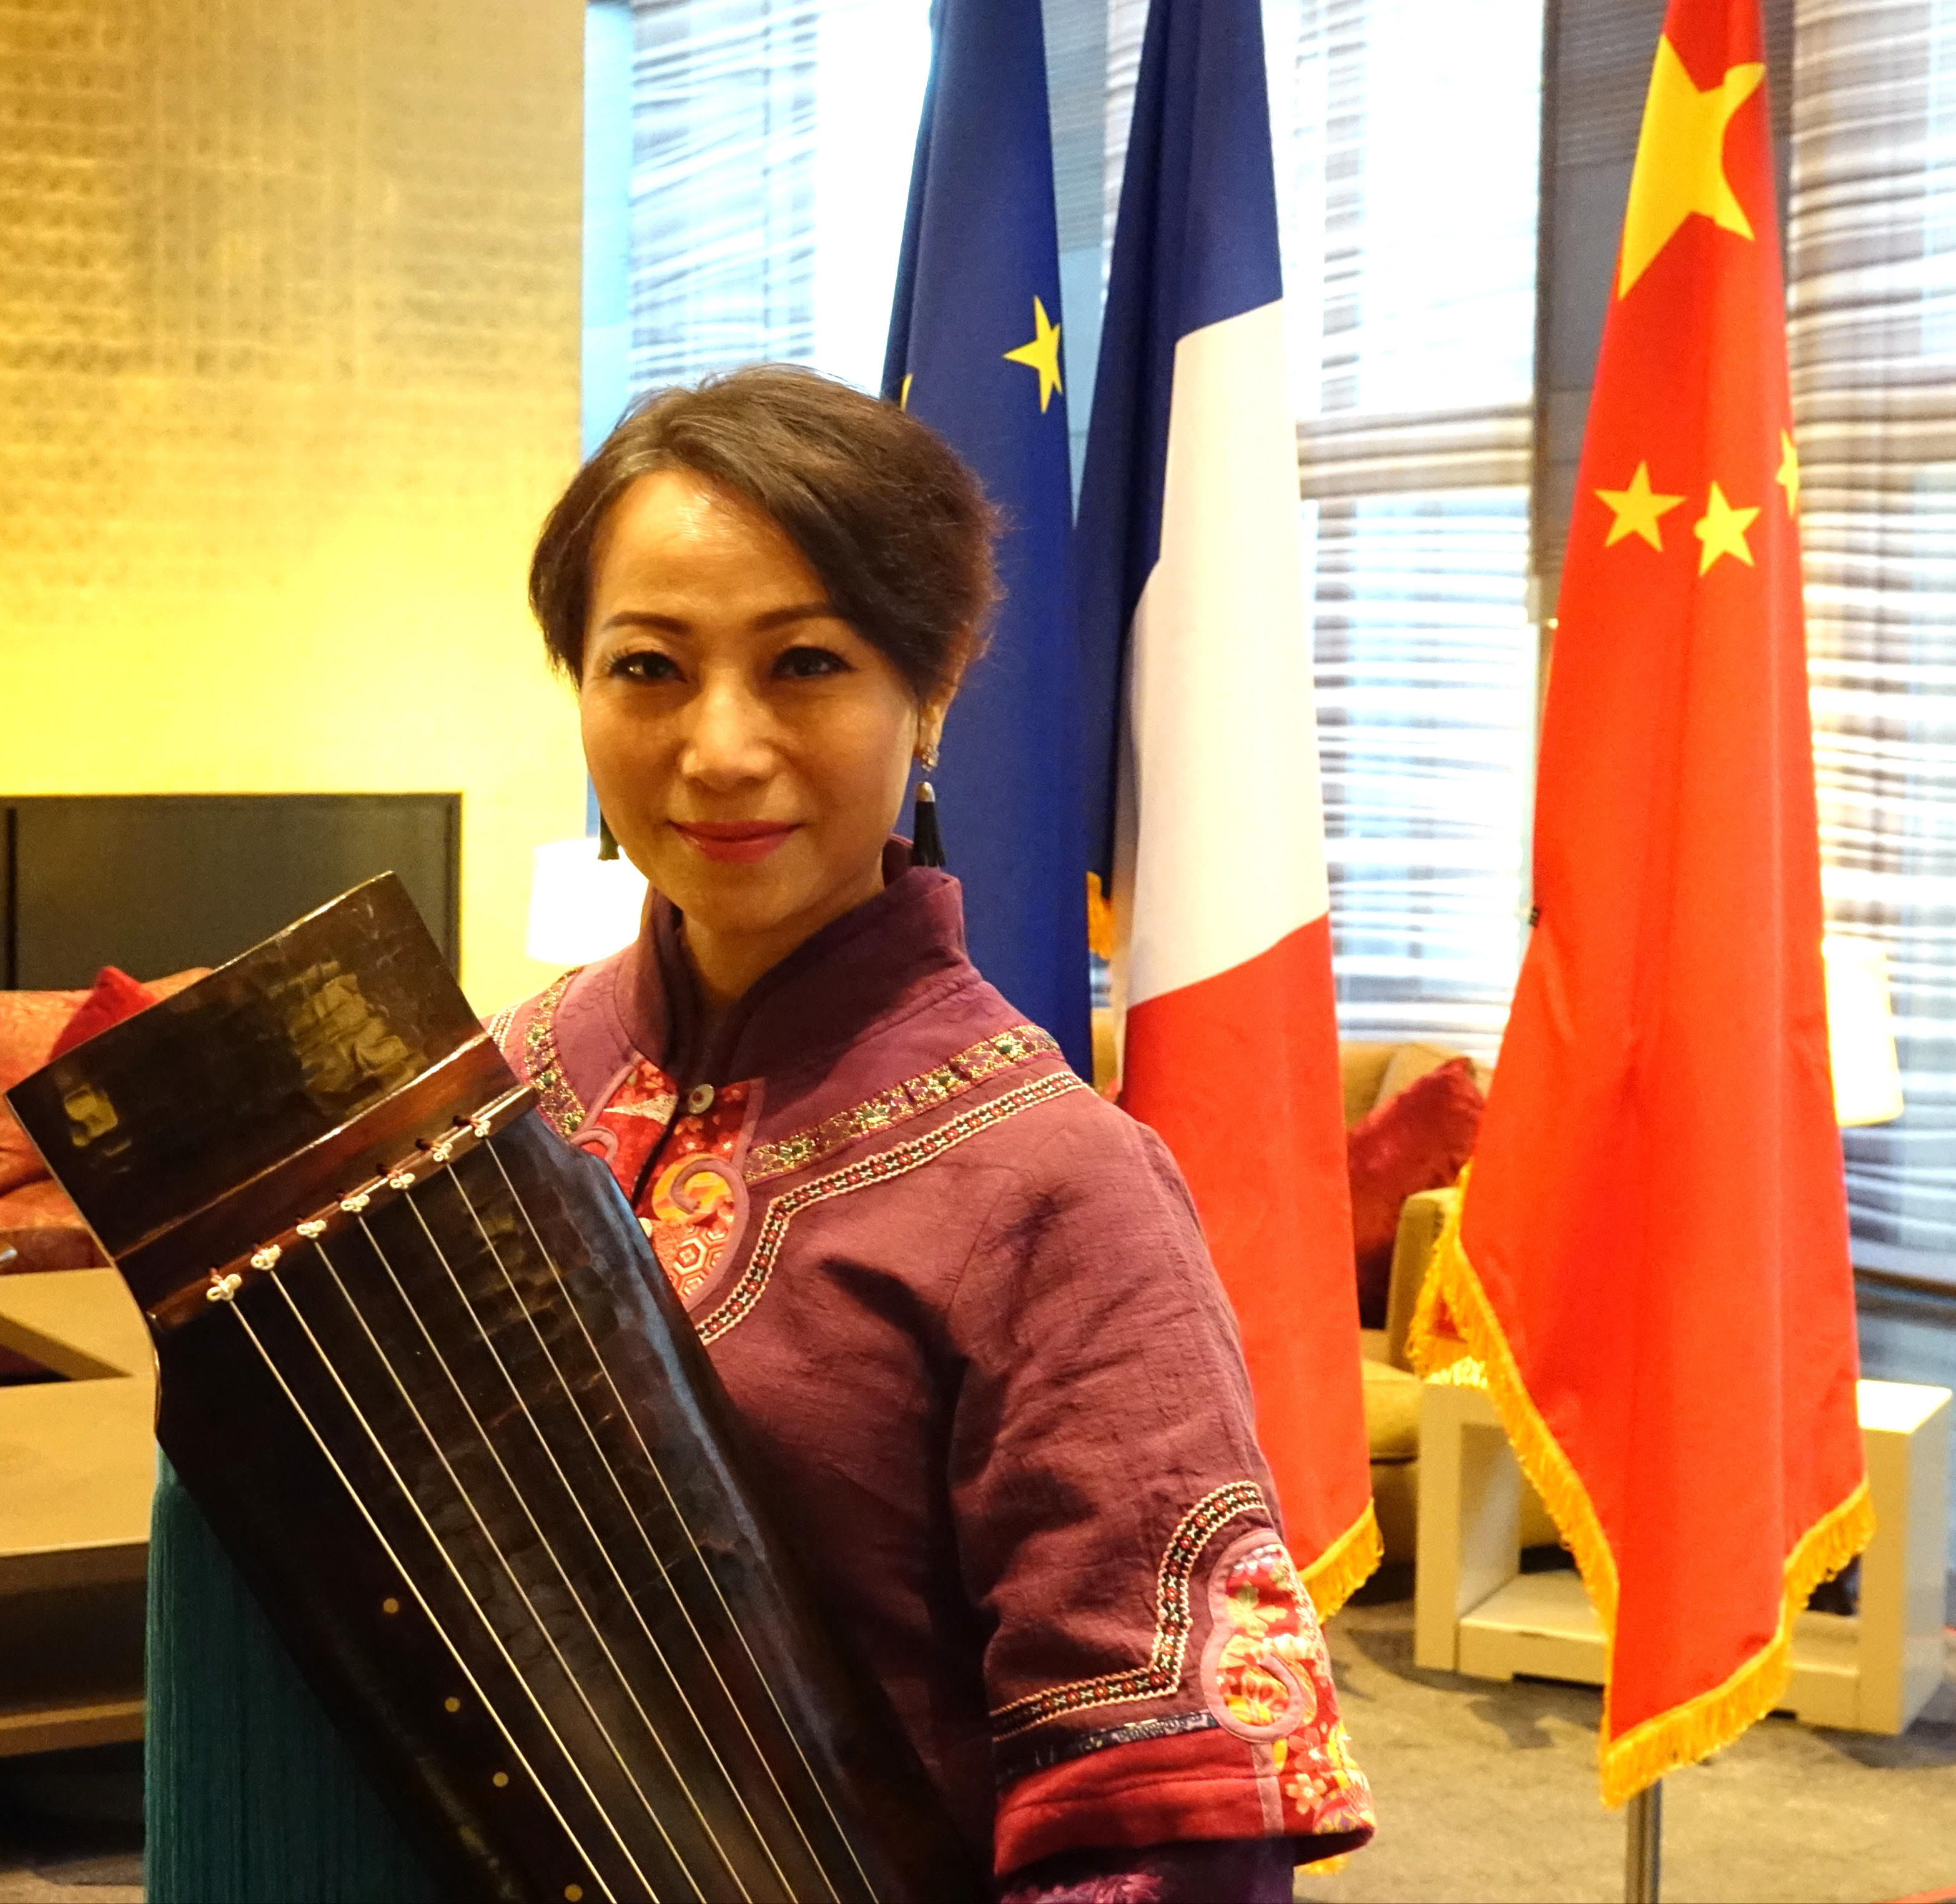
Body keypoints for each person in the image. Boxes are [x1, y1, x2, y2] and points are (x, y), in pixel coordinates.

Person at [491, 363, 1375, 1902]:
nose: (720, 746)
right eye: (647, 667)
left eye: (806, 664)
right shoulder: (511, 1077)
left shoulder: (1056, 1190)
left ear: (935, 691)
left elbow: (1167, 1823)